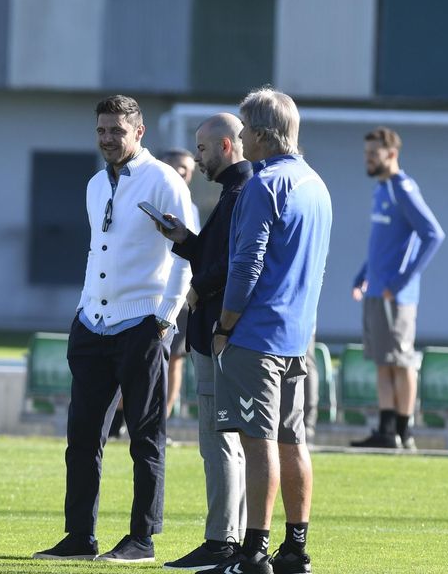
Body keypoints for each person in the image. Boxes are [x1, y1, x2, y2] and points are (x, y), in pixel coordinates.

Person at [33, 94, 195, 564]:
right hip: (92, 324)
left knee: (145, 437)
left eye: (116, 131)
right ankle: (80, 537)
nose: (107, 138)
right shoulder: (93, 184)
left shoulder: (164, 180)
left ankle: (142, 539)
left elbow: (188, 251)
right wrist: (83, 309)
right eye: (101, 130)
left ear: (138, 132)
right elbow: (97, 252)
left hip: (142, 325)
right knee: (82, 437)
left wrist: (164, 318)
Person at [200, 88, 332, 574]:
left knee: (257, 445)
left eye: (243, 128)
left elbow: (247, 264)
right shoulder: (316, 183)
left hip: (257, 337)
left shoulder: (263, 184)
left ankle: (254, 551)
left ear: (257, 133)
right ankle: (295, 549)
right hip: (300, 337)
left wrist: (225, 324)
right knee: (292, 442)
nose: (239, 136)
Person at [153, 113, 252, 570]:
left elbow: (236, 263)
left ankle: (221, 542)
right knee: (221, 437)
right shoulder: (232, 193)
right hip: (216, 331)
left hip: (218, 333)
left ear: (227, 147)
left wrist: (198, 289)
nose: (197, 156)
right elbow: (217, 255)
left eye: (204, 149)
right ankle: (228, 538)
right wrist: (185, 240)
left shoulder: (241, 192)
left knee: (218, 438)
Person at [350, 127, 445, 450]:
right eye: (366, 154)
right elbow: (382, 244)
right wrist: (363, 274)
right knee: (382, 361)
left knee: (401, 362)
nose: (368, 160)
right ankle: (386, 431)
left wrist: (401, 281)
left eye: (373, 154)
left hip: (396, 296)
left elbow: (433, 235)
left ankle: (404, 431)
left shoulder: (403, 188)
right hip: (376, 291)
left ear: (391, 154)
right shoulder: (382, 189)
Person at [160, 148, 197, 419]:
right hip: (152, 290)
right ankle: (122, 419)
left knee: (175, 359)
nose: (184, 173)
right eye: (178, 167)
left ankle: (163, 417)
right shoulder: (153, 199)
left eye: (189, 170)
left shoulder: (191, 206)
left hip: (181, 293)